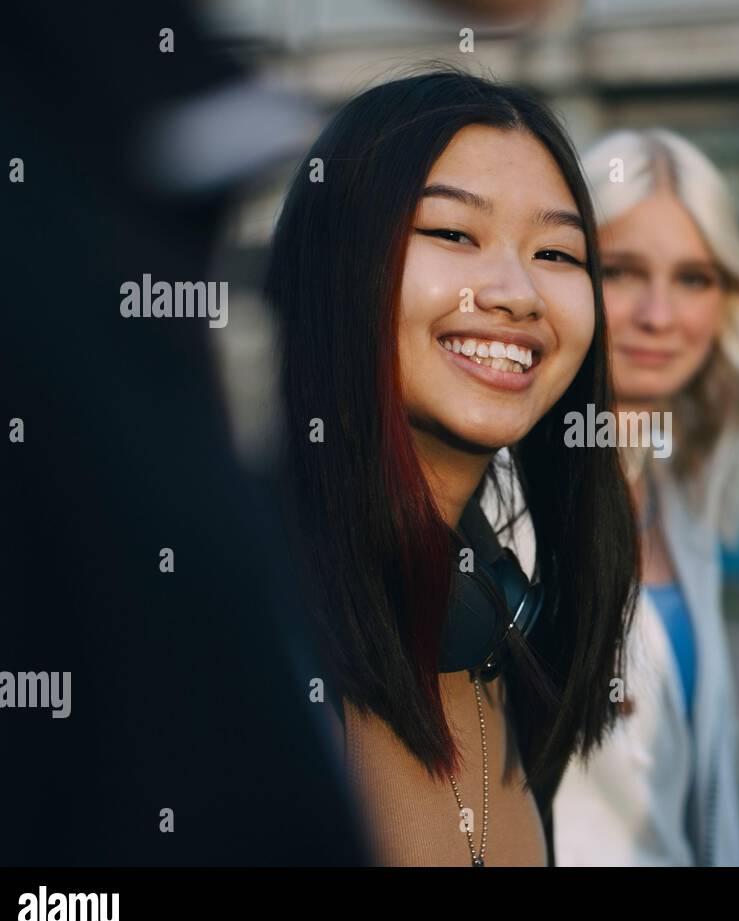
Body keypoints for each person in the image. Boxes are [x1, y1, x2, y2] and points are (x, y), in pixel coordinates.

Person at [264, 68, 639, 867]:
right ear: (336, 264)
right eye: (452, 234)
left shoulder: (496, 639)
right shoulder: (231, 625)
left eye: (556, 252)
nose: (515, 292)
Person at [550, 128, 739, 866]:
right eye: (619, 270)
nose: (658, 314)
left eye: (694, 278)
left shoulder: (681, 501)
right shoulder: (500, 512)